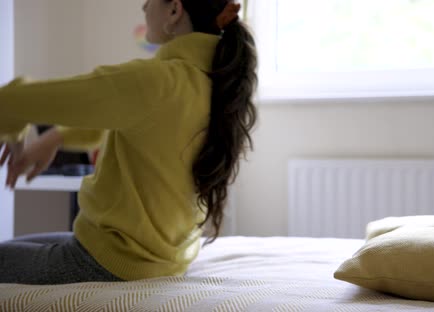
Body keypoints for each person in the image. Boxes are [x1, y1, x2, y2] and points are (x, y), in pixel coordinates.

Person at [0, 0, 257, 285]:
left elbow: (11, 101)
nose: (144, 6)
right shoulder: (215, 85)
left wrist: (14, 132)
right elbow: (121, 123)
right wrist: (55, 137)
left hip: (111, 264)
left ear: (174, 11)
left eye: (149, 0)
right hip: (166, 259)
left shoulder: (157, 81)